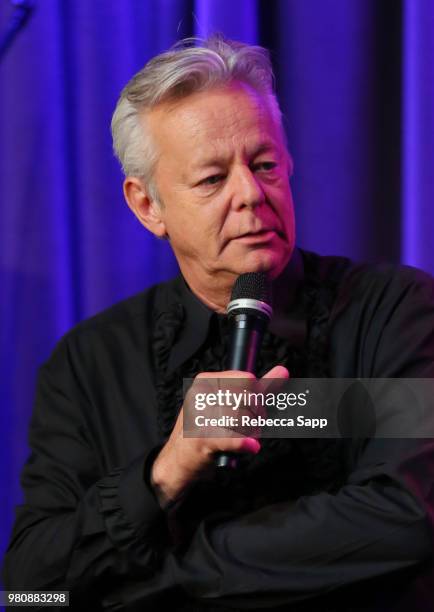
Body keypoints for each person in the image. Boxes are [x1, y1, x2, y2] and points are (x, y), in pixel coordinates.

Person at [3, 35, 434, 611]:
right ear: (146, 206)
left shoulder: (394, 311)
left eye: (264, 165)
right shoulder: (88, 364)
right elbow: (31, 590)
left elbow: (405, 516)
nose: (251, 195)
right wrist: (166, 469)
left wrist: (162, 579)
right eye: (211, 180)